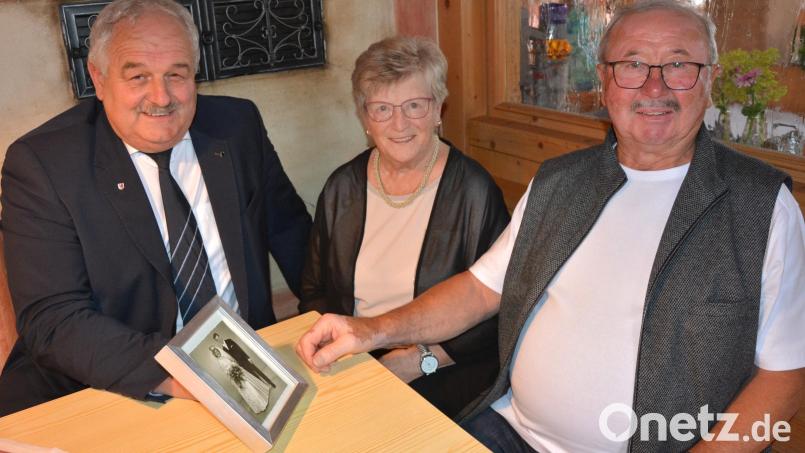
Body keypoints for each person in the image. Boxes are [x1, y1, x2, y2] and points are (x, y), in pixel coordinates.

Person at [297, 1, 805, 451]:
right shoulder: (559, 181)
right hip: (507, 430)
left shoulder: (761, 207)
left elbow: (786, 376)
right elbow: (478, 290)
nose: (654, 86)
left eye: (678, 65)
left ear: (710, 79)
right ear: (604, 81)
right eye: (632, 65)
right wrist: (371, 330)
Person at [0, 0, 311, 416]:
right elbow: (54, 321)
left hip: (247, 371)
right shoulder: (43, 165)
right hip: (111, 387)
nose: (161, 97)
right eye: (139, 76)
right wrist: (188, 374)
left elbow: (294, 235)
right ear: (99, 76)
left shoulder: (237, 127)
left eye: (177, 75)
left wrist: (335, 320)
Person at [298, 36, 509, 417]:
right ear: (365, 117)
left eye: (414, 105)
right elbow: (314, 291)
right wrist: (342, 355)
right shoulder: (342, 186)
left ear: (438, 110)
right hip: (355, 363)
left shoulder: (475, 192)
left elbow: (498, 310)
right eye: (382, 108)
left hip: (442, 372)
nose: (399, 124)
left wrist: (413, 361)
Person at [210, 346, 272, 414]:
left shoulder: (224, 357)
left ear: (219, 351)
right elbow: (226, 371)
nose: (217, 353)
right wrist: (233, 370)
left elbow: (232, 363)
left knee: (249, 385)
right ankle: (259, 405)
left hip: (238, 372)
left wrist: (235, 366)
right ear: (215, 355)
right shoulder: (220, 362)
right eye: (215, 353)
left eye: (217, 351)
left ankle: (260, 400)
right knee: (246, 389)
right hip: (235, 376)